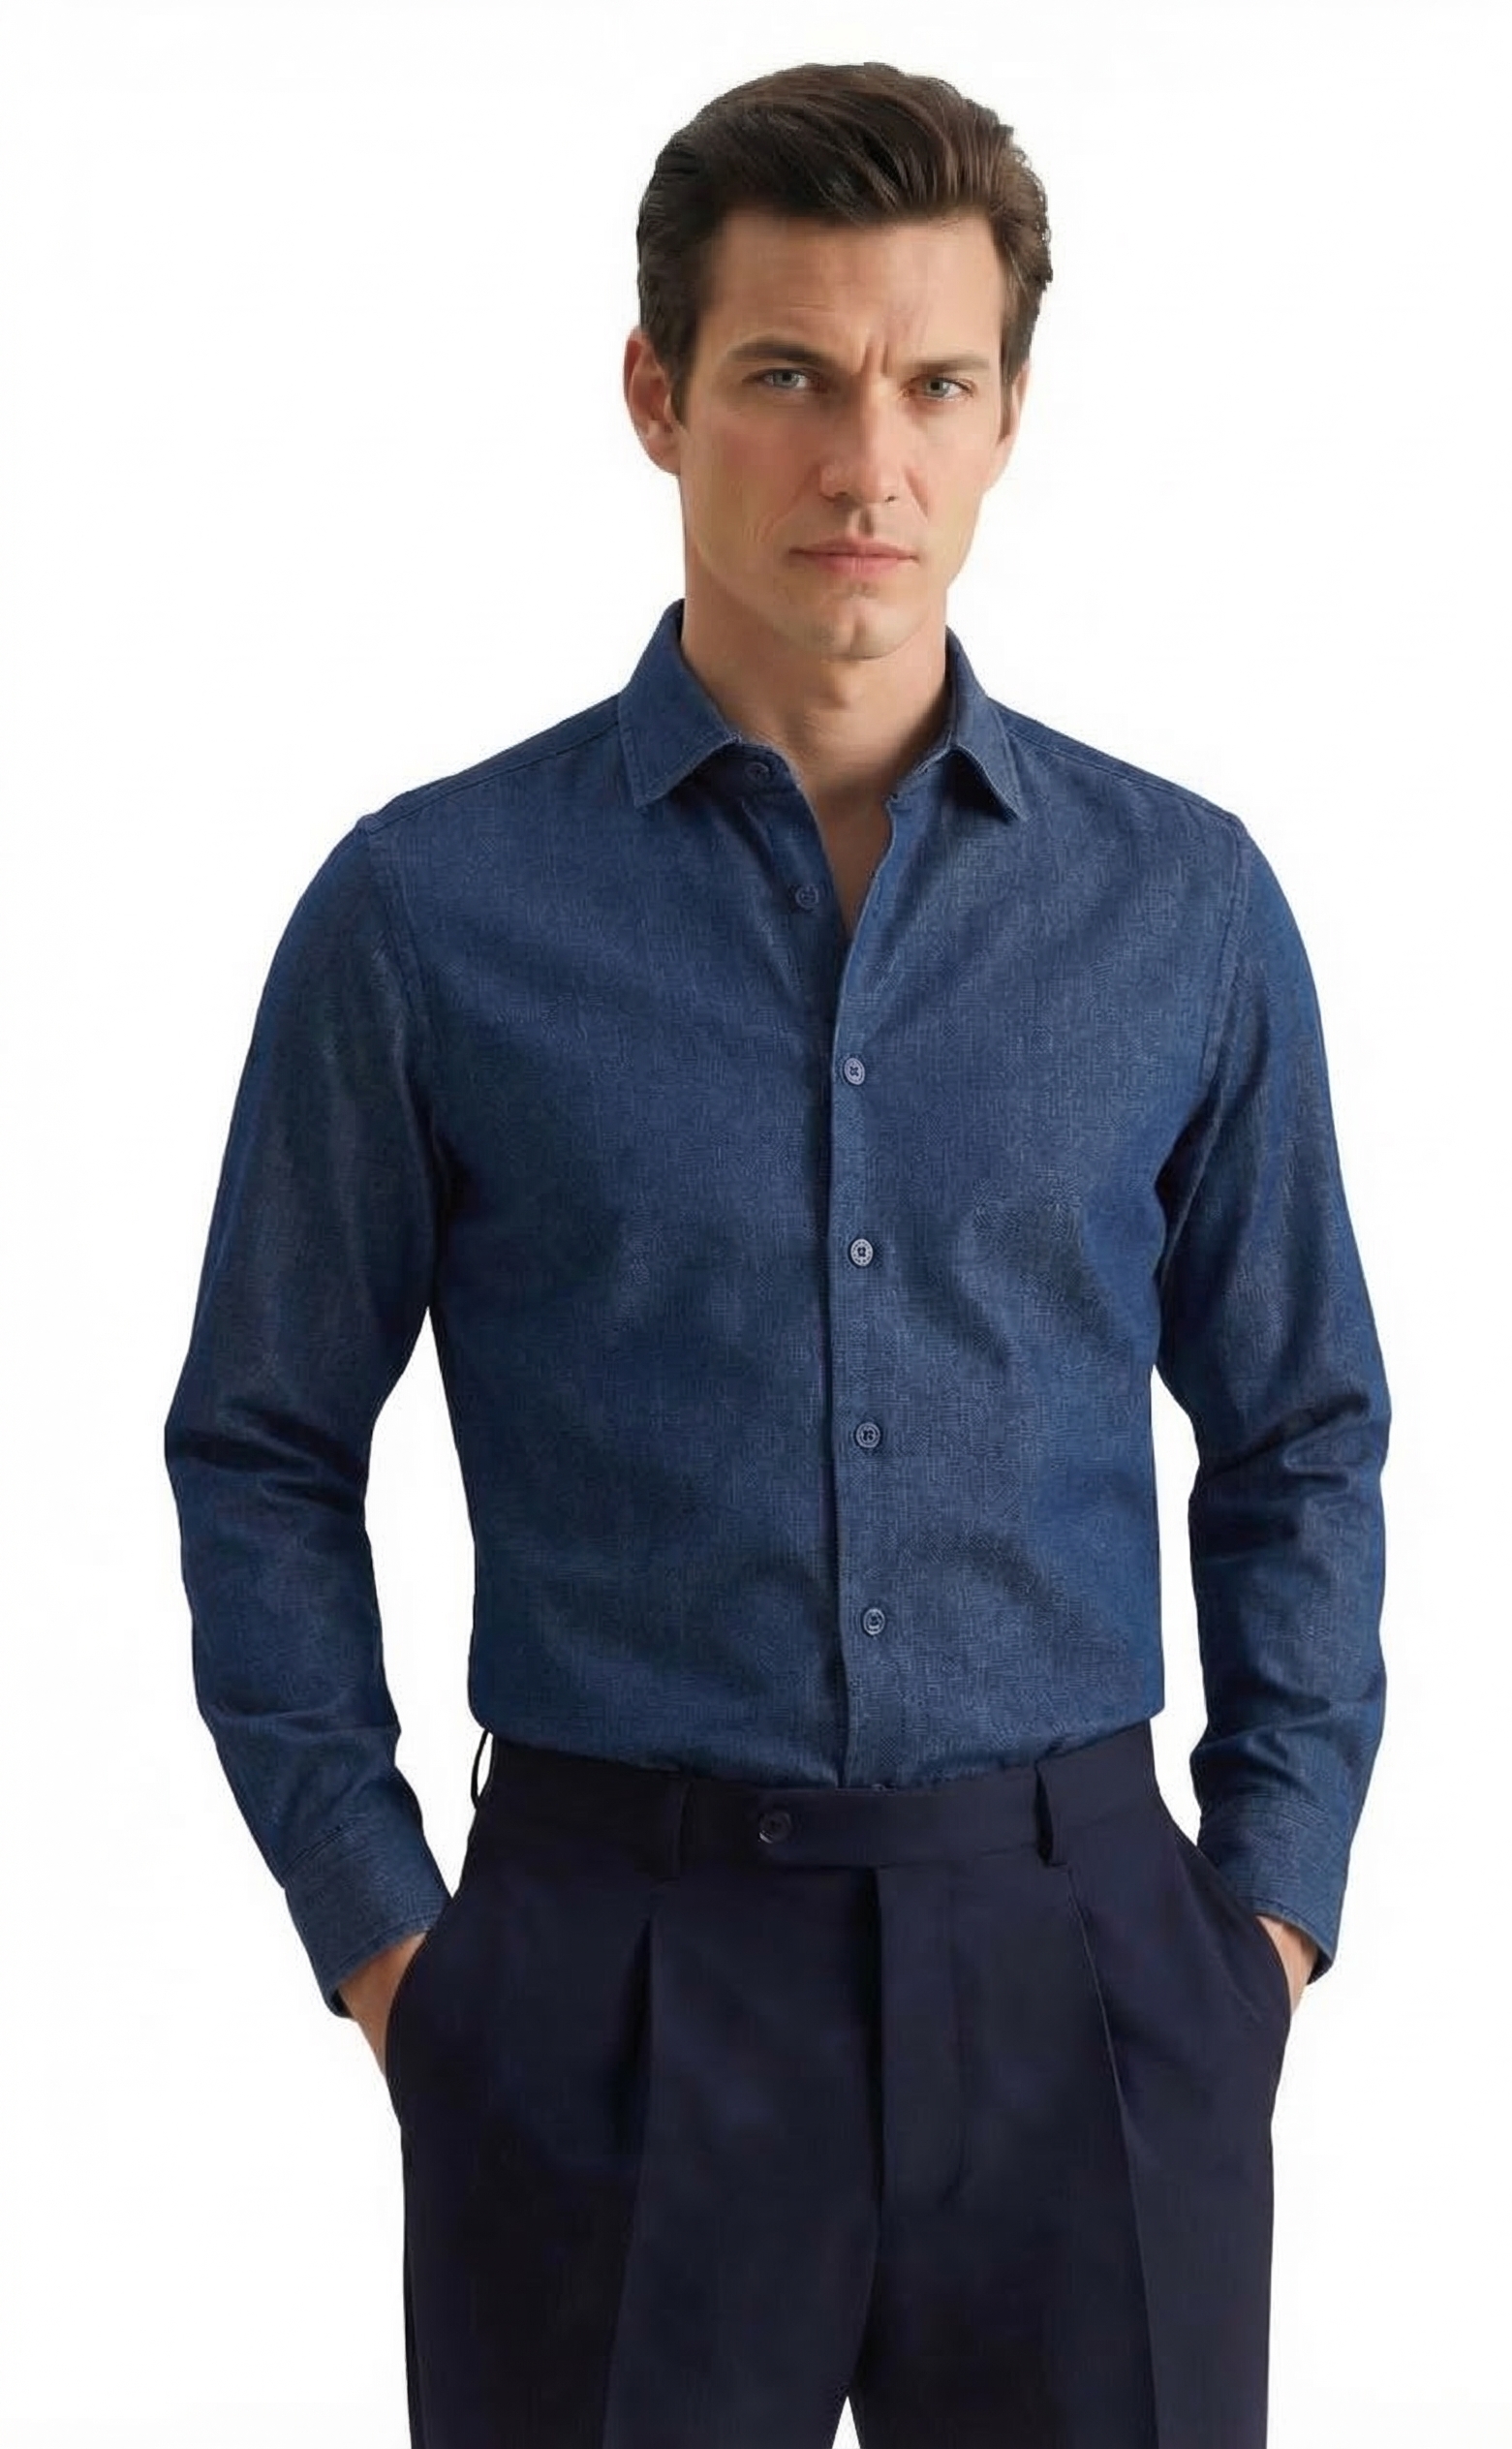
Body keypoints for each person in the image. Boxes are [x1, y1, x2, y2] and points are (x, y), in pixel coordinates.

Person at [165, 57, 1389, 2449]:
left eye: (933, 384)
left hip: (1082, 1973)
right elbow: (262, 1442)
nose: (866, 464)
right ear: (654, 396)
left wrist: (1260, 1909)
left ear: (1007, 412)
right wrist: (393, 1943)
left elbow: (1299, 1430)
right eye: (788, 378)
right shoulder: (427, 911)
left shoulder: (1181, 906)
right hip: (602, 1979)